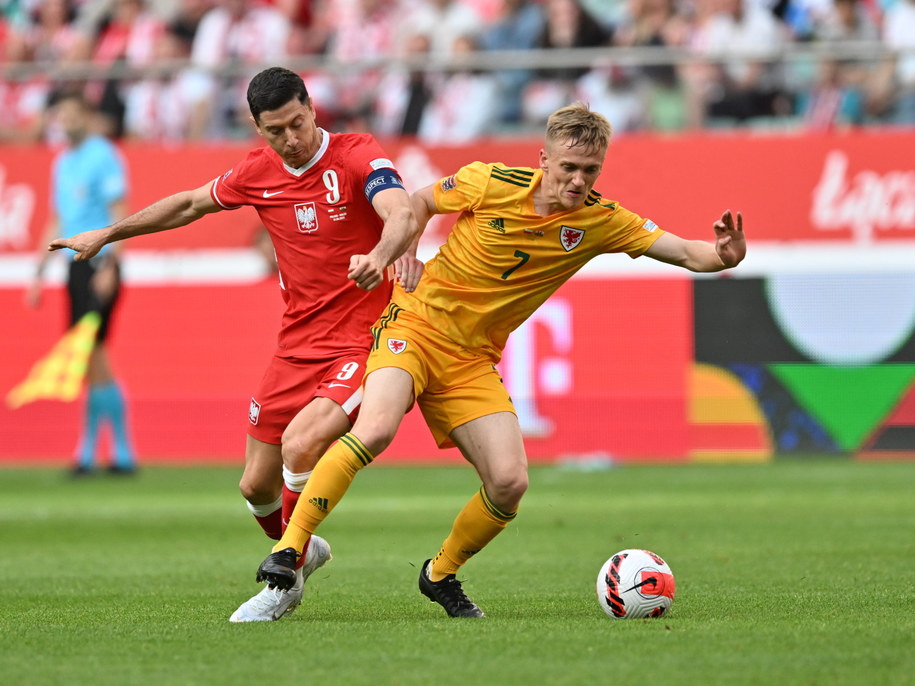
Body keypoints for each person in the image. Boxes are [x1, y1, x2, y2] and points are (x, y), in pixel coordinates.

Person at [254, 102, 747, 617]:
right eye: (568, 168)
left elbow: (689, 253)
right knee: (376, 427)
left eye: (590, 170)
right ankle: (290, 549)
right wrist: (405, 249)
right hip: (415, 326)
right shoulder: (489, 182)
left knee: (510, 482)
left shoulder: (602, 221)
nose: (578, 181)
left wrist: (725, 256)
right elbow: (418, 203)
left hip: (471, 361)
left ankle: (439, 574)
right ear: (544, 159)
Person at [47, 67, 419, 621]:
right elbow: (190, 204)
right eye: (276, 131)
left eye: (297, 123)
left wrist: (382, 255)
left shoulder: (356, 153)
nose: (291, 139)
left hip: (363, 340)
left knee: (300, 445)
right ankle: (303, 545)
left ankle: (284, 574)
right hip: (295, 344)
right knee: (254, 486)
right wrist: (108, 233)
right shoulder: (258, 172)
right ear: (257, 127)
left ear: (311, 107)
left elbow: (401, 210)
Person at [28, 89, 137, 477]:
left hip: (98, 261)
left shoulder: (103, 156)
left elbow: (119, 214)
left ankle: (110, 450)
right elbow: (57, 219)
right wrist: (40, 271)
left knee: (94, 352)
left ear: (86, 118)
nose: (66, 121)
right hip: (74, 267)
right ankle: (101, 451)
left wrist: (111, 265)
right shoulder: (62, 162)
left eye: (74, 114)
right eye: (61, 114)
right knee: (89, 356)